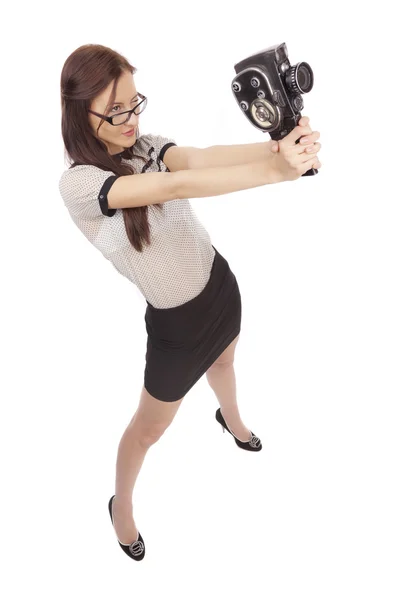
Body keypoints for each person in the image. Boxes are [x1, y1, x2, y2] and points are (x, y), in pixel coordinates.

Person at [59, 44, 322, 561]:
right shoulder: (79, 185)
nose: (130, 119)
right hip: (176, 329)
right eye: (115, 110)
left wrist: (277, 147)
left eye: (135, 104)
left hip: (220, 287)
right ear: (78, 110)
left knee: (226, 360)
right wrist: (277, 173)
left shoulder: (145, 145)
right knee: (149, 429)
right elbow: (178, 183)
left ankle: (233, 420)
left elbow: (196, 159)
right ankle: (122, 506)